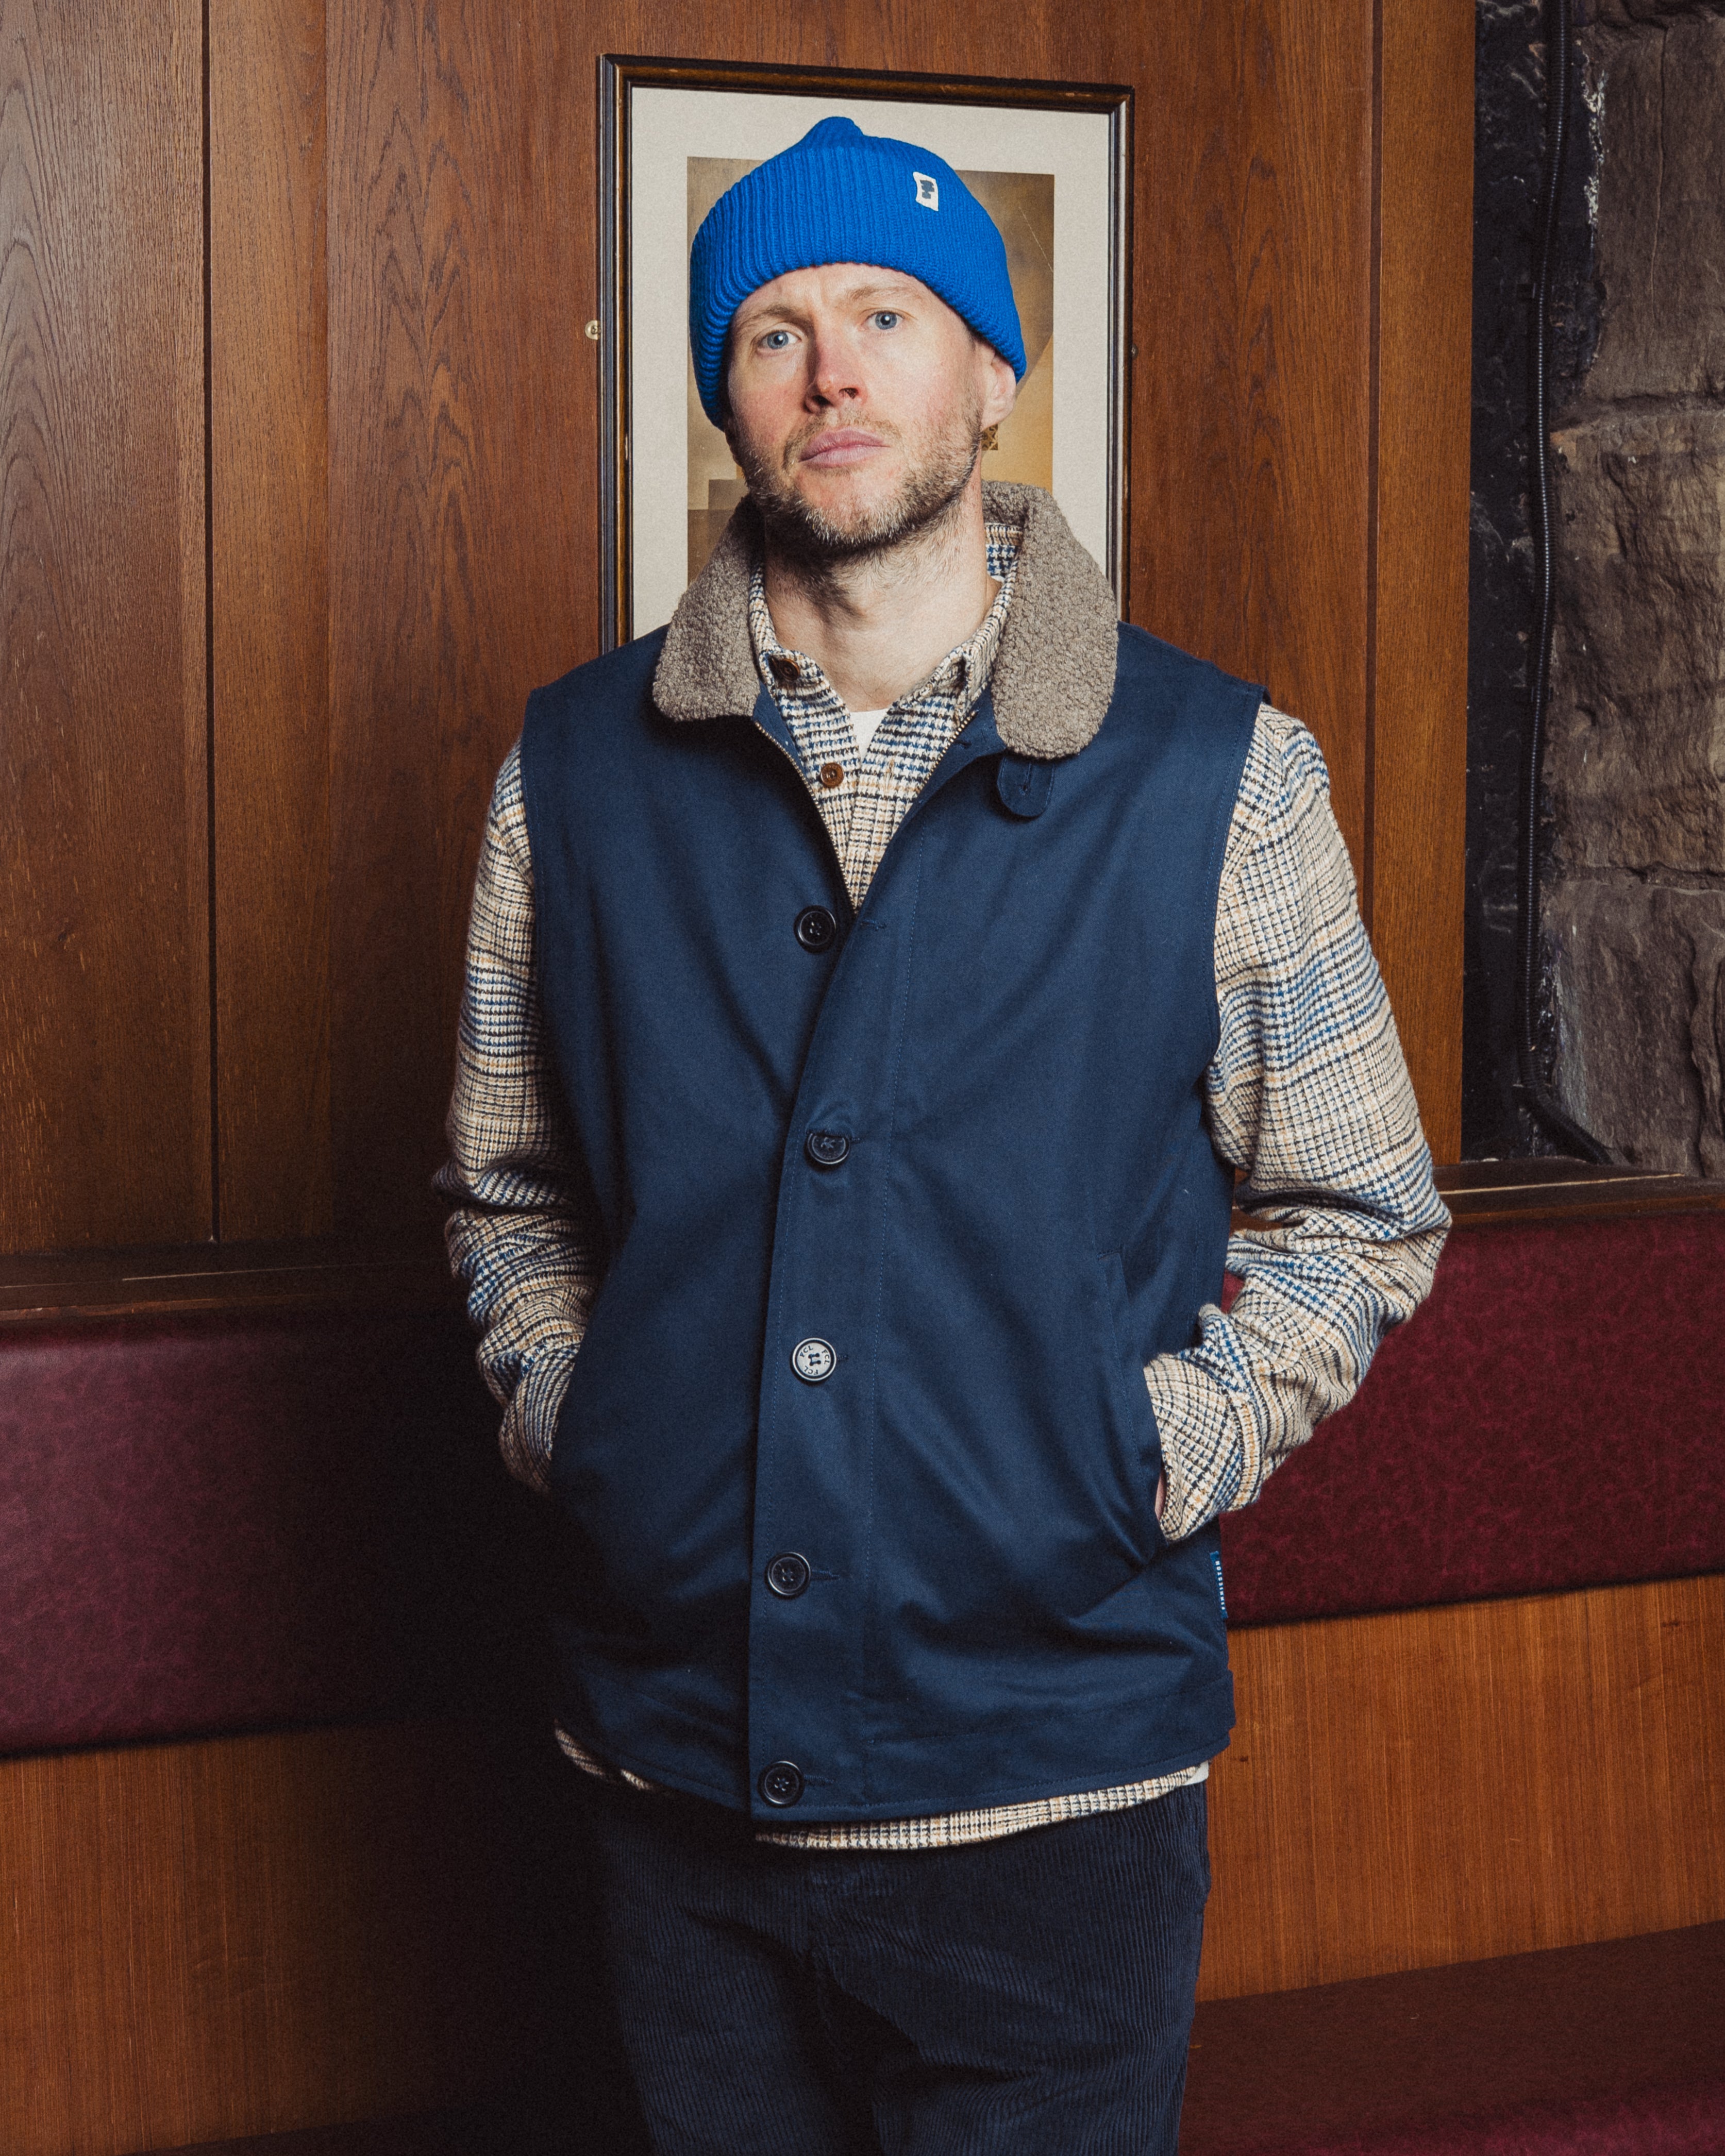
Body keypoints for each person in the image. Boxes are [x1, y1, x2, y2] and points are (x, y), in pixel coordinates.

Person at [438, 115, 1448, 2156]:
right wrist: (595, 1421)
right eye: (774, 329)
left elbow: (1361, 1208)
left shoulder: (1223, 769)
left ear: (993, 370)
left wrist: (1125, 1456)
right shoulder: (571, 771)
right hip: (668, 1779)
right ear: (726, 401)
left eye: (888, 315)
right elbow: (506, 1187)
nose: (832, 370)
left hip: (1053, 1793)